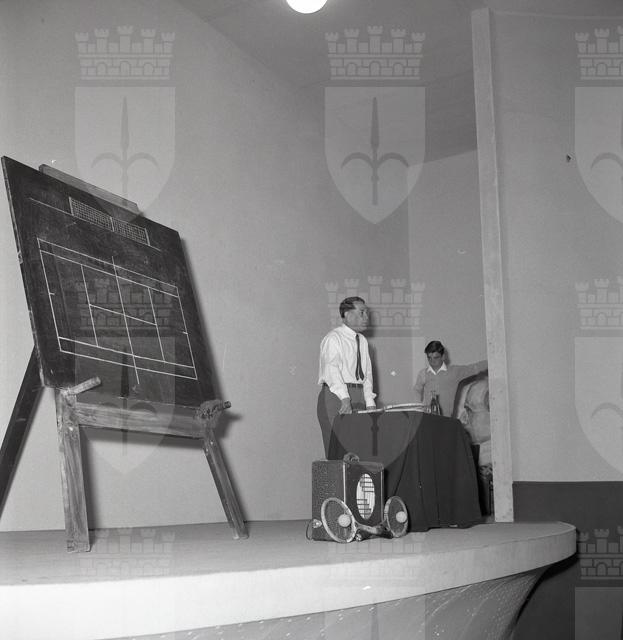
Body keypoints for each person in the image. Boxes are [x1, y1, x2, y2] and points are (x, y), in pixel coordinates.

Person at [317, 296, 376, 455]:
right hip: (336, 395)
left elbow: (367, 373)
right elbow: (331, 370)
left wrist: (370, 402)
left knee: (359, 451)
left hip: (359, 396)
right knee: (339, 451)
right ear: (348, 315)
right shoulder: (333, 338)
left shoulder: (362, 341)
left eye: (366, 313)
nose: (366, 317)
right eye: (362, 312)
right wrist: (344, 398)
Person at [414, 340, 487, 418]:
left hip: (447, 419)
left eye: (436, 357)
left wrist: (491, 360)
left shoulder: (454, 372)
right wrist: (419, 407)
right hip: (428, 418)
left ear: (443, 357)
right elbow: (417, 390)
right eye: (429, 358)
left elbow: (473, 368)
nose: (432, 361)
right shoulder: (423, 373)